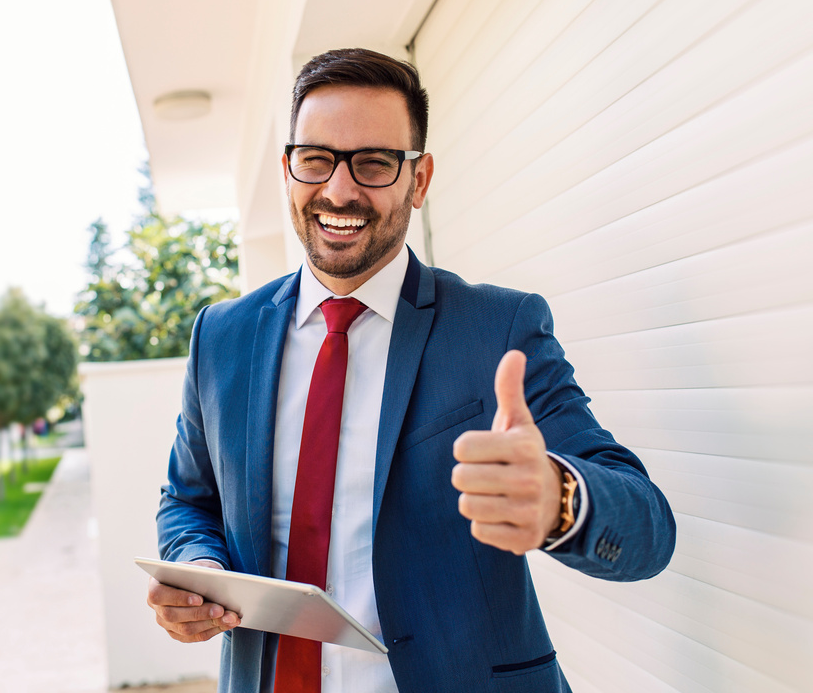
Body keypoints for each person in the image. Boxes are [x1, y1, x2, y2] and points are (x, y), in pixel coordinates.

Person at [147, 48, 676, 693]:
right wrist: (196, 568)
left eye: (373, 163)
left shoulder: (497, 330)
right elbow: (188, 500)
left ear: (419, 180)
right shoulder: (222, 337)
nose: (339, 190)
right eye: (316, 159)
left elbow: (648, 529)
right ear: (288, 168)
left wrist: (559, 499)